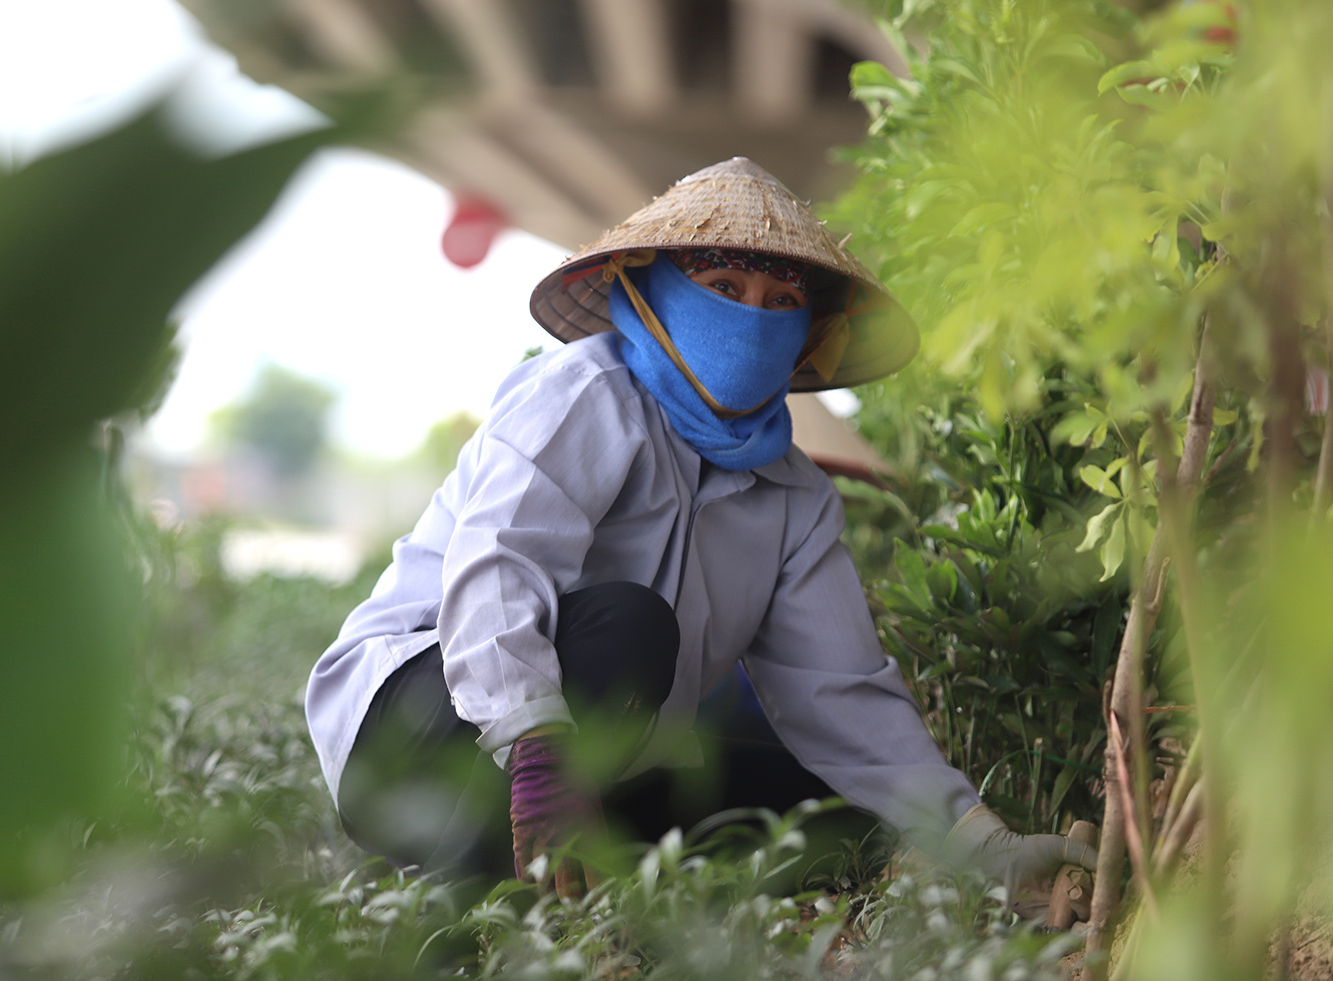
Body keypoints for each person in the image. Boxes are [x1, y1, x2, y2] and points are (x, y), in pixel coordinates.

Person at [305, 157, 1096, 894]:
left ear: (808, 334)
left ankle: (557, 862)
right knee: (630, 627)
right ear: (651, 296)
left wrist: (981, 843)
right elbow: (496, 569)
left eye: (782, 302)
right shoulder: (587, 394)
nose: (753, 318)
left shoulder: (794, 495)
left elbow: (840, 693)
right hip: (411, 724)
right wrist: (537, 751)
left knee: (822, 810)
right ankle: (461, 912)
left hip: (597, 756)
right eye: (721, 284)